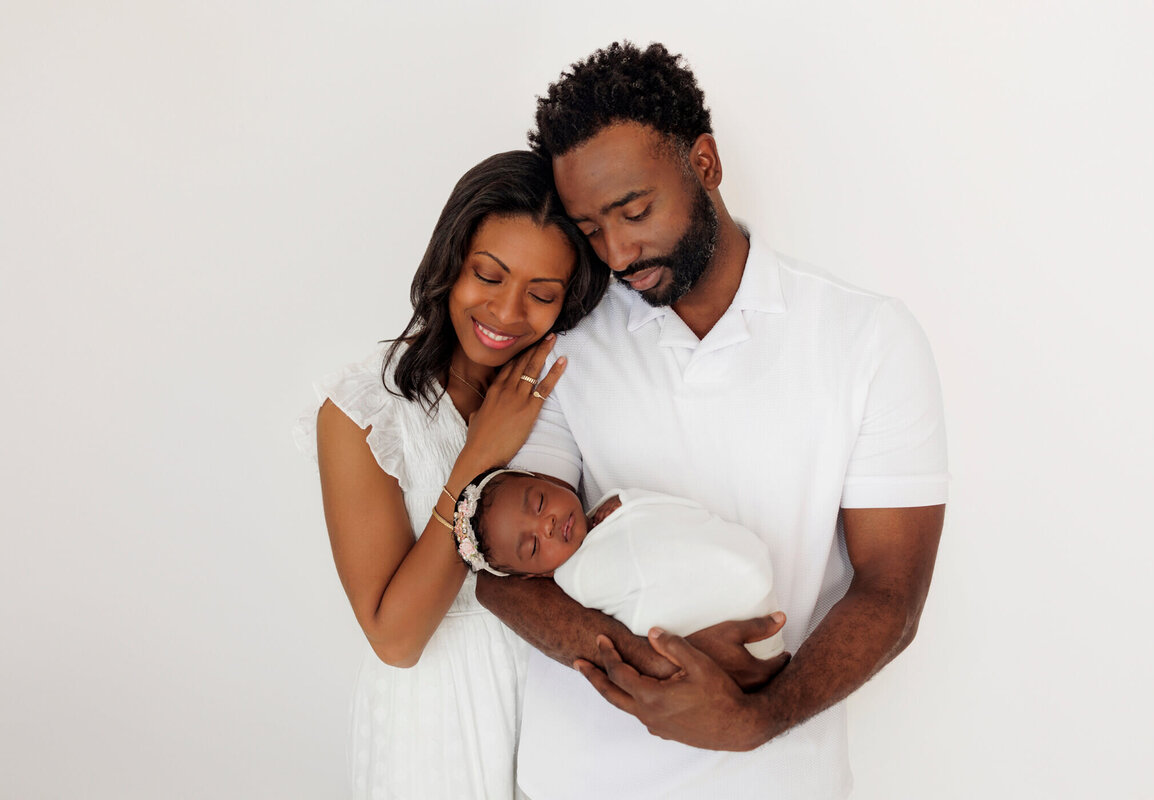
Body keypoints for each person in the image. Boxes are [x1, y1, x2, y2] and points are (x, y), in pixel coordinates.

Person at [475, 43, 949, 799]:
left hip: (780, 780)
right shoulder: (563, 344)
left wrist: (757, 720)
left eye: (635, 211)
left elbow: (891, 592)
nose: (620, 251)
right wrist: (653, 658)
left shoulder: (868, 339)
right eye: (591, 229)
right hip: (581, 782)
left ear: (705, 162)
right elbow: (501, 575)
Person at [296, 150, 607, 799]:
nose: (505, 312)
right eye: (488, 275)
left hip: (556, 716)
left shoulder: (560, 392)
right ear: (450, 262)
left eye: (541, 294)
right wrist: (477, 460)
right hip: (434, 729)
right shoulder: (363, 414)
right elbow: (395, 637)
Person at [449, 468, 785, 659]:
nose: (546, 525)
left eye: (539, 502)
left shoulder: (605, 509)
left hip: (745, 571)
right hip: (734, 622)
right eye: (533, 546)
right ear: (538, 574)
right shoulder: (579, 578)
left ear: (544, 477)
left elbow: (673, 522)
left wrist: (622, 504)